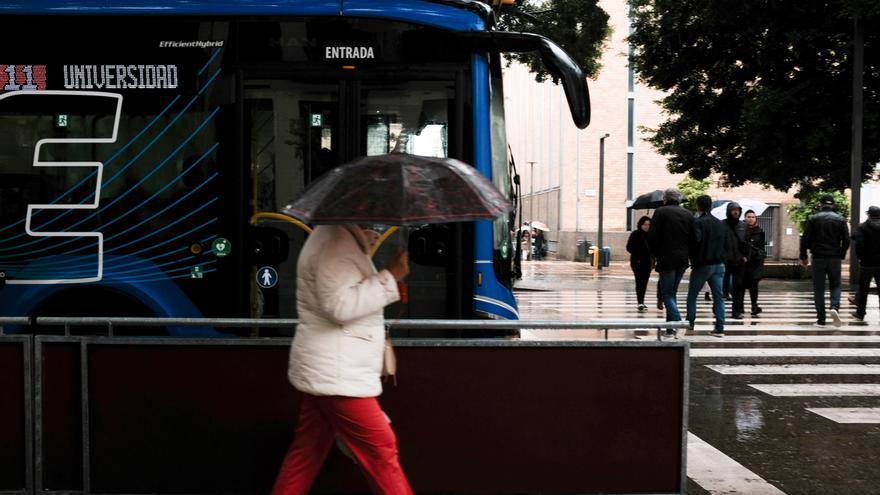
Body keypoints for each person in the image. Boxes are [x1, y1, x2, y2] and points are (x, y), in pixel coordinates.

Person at [272, 224, 413, 495]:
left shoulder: (335, 237)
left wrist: (366, 251)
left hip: (329, 368)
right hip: (338, 373)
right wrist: (390, 276)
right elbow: (340, 306)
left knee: (307, 452)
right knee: (381, 450)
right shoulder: (335, 242)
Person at [648, 188, 694, 337]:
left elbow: (653, 236)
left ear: (665, 199)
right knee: (671, 293)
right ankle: (669, 328)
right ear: (679, 198)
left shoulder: (661, 212)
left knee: (667, 294)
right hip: (682, 259)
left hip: (666, 258)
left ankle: (677, 320)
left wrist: (653, 256)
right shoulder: (688, 214)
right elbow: (694, 237)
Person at [800, 194, 850, 327]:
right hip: (834, 257)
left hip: (818, 257)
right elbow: (846, 240)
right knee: (836, 285)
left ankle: (821, 320)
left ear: (820, 204)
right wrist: (842, 254)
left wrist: (803, 256)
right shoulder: (840, 219)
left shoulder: (813, 219)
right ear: (833, 204)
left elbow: (805, 239)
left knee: (819, 289)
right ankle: (834, 307)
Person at [686, 195, 729, 337]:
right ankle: (720, 327)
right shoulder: (720, 223)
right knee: (718, 297)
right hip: (719, 264)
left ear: (698, 206)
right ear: (711, 206)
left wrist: (692, 256)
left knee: (692, 295)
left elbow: (695, 242)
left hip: (703, 264)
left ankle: (690, 323)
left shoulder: (698, 223)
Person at [852, 206, 880, 322]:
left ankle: (860, 313)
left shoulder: (863, 227)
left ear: (869, 214)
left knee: (863, 289)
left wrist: (860, 258)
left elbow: (859, 245)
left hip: (867, 263)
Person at [722, 202, 748, 319]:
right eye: (733, 210)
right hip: (725, 261)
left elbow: (748, 242)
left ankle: (736, 311)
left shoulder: (743, 226)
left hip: (739, 261)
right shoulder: (722, 224)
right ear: (729, 211)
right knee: (722, 286)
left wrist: (746, 255)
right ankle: (717, 306)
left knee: (738, 287)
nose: (736, 212)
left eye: (738, 210)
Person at [626, 216, 654, 312]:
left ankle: (642, 301)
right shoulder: (636, 234)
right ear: (640, 225)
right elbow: (629, 247)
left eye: (649, 225)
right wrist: (639, 252)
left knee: (644, 281)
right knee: (639, 281)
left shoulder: (652, 235)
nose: (647, 226)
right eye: (645, 224)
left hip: (648, 262)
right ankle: (640, 302)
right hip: (637, 261)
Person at [743, 210, 767, 316]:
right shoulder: (741, 229)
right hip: (744, 261)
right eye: (748, 217)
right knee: (741, 285)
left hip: (755, 262)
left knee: (754, 284)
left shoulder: (760, 231)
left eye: (753, 217)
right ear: (745, 218)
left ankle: (754, 305)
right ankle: (740, 306)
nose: (751, 219)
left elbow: (762, 247)